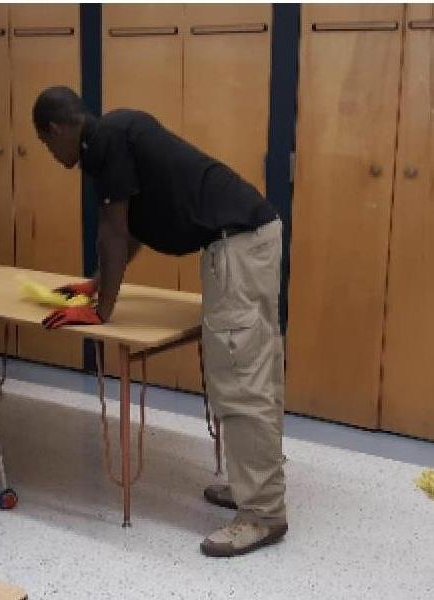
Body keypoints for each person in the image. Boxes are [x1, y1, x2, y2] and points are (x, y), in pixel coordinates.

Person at [33, 85, 286, 558]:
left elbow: (112, 229)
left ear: (57, 129)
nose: (52, 156)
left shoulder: (104, 140)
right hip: (246, 240)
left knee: (241, 379)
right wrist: (96, 283)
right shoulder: (112, 135)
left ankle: (263, 514)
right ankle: (255, 489)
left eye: (48, 146)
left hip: (237, 245)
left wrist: (101, 309)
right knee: (251, 372)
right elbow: (127, 235)